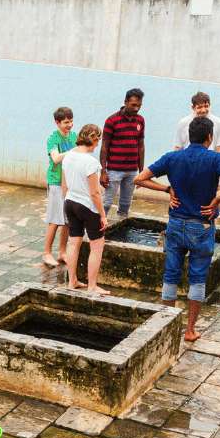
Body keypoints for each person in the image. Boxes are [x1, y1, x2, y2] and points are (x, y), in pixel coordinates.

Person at [134, 115, 220, 343]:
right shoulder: (216, 159)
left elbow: (140, 179)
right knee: (197, 278)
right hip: (201, 226)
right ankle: (190, 330)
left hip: (175, 223)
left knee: (171, 275)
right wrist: (216, 201)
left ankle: (166, 327)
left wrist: (167, 190)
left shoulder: (172, 157)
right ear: (209, 137)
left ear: (188, 136)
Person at [60, 124, 108, 294]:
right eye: (98, 141)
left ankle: (72, 281)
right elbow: (95, 192)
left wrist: (66, 200)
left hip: (70, 202)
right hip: (87, 206)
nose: (97, 145)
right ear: (93, 139)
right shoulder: (91, 162)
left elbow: (64, 185)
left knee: (73, 243)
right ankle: (92, 286)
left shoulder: (68, 156)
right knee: (97, 246)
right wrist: (103, 215)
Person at [98, 88, 145, 218]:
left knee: (125, 205)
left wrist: (142, 172)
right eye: (133, 105)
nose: (136, 108)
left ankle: (120, 231)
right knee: (106, 203)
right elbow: (104, 147)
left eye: (139, 105)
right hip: (114, 170)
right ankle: (96, 232)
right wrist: (103, 171)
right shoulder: (112, 120)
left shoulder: (140, 120)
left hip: (132, 171)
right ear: (125, 102)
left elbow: (141, 146)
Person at [41, 107, 74, 267]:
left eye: (71, 121)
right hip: (56, 182)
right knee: (55, 219)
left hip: (70, 183)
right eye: (66, 122)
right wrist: (75, 151)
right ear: (57, 122)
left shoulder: (73, 136)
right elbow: (55, 159)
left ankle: (62, 252)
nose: (70, 125)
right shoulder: (53, 139)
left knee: (67, 220)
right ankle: (46, 253)